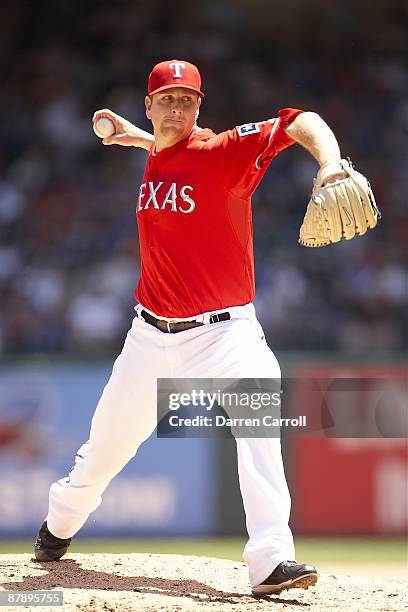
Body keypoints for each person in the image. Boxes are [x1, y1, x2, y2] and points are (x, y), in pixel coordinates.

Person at [34, 59, 347, 596]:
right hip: (149, 338)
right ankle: (57, 528)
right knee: (103, 452)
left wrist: (332, 165)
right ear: (149, 104)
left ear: (199, 106)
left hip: (226, 336)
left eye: (187, 99)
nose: (177, 107)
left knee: (260, 426)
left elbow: (301, 120)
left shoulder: (223, 151)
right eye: (167, 98)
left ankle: (271, 560)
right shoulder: (159, 149)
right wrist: (135, 138)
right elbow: (166, 149)